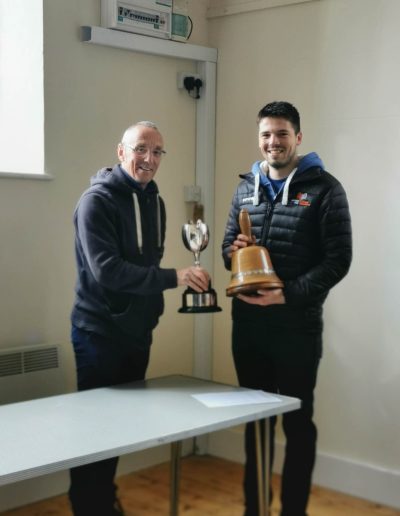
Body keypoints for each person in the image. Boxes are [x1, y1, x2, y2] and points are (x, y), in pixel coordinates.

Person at [69, 121, 210, 516]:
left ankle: (103, 501)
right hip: (98, 333)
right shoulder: (95, 202)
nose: (148, 159)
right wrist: (175, 277)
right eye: (140, 149)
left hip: (137, 332)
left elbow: (147, 261)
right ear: (120, 151)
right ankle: (88, 506)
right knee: (94, 431)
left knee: (117, 430)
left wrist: (154, 306)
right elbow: (107, 272)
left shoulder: (155, 201)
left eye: (157, 152)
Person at [222, 101, 352, 516]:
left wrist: (288, 294)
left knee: (297, 426)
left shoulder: (326, 189)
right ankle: (254, 509)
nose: (272, 142)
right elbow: (228, 248)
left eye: (281, 134)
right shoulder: (245, 187)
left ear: (297, 137)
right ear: (258, 139)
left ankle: (293, 511)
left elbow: (338, 260)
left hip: (297, 328)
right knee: (255, 425)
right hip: (248, 327)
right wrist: (234, 251)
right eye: (265, 134)